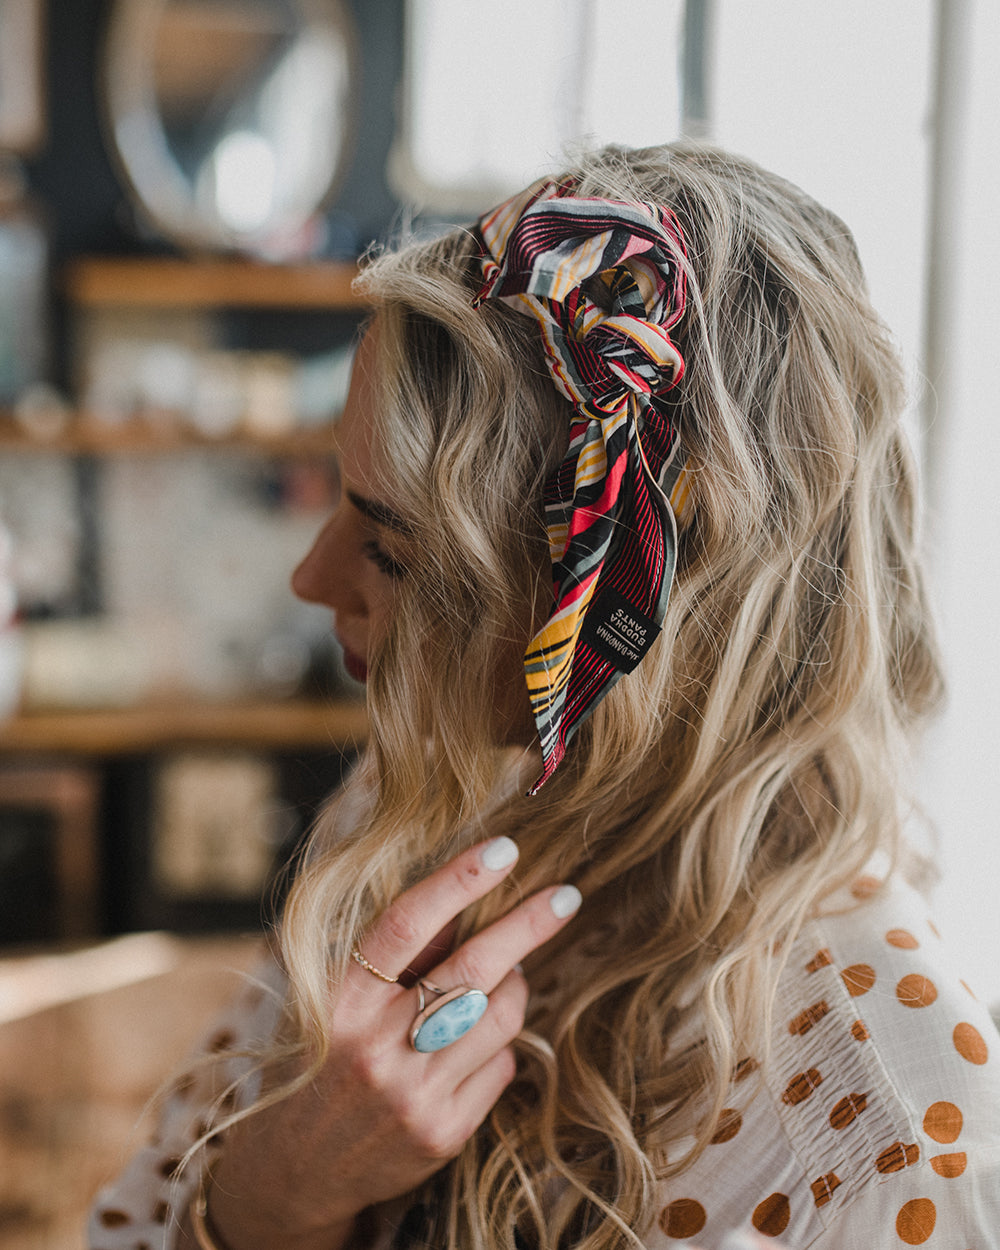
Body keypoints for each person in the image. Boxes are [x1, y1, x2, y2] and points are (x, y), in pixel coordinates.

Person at [88, 143, 1000, 1250]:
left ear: (635, 614)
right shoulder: (420, 812)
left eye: (392, 551)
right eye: (342, 502)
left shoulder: (887, 1147)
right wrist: (273, 1195)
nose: (310, 578)